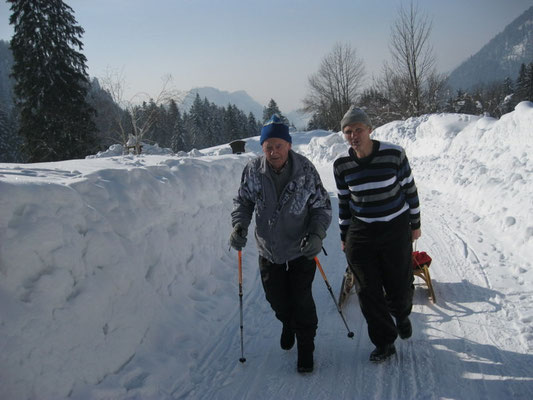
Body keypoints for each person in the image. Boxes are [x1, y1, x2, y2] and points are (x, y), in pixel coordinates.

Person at [230, 114, 332, 373]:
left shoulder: (305, 170)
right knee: (277, 300)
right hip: (269, 249)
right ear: (262, 148)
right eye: (268, 147)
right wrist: (239, 225)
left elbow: (321, 206)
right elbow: (243, 202)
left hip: (301, 248)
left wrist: (317, 234)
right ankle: (288, 323)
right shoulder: (254, 171)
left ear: (288, 145)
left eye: (278, 145)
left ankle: (306, 346)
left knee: (302, 299)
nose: (273, 152)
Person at [333, 106, 421, 363]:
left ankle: (402, 313)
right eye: (348, 131)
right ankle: (384, 342)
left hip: (395, 226)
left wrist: (415, 223)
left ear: (370, 129)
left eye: (358, 129)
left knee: (399, 282)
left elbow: (410, 189)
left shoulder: (394, 154)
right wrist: (344, 235)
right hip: (362, 231)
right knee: (367, 290)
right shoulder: (342, 165)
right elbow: (344, 202)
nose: (353, 135)